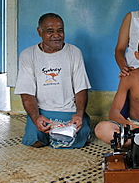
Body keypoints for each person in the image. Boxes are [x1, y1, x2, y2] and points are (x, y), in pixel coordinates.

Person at [15, 13, 91, 149]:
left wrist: (79, 114)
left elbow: (81, 88)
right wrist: (36, 118)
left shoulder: (74, 52)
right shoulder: (28, 55)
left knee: (79, 140)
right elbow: (26, 93)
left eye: (60, 30)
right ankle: (49, 134)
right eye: (50, 31)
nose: (56, 35)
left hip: (69, 111)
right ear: (40, 32)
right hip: (43, 112)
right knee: (35, 141)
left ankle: (74, 128)